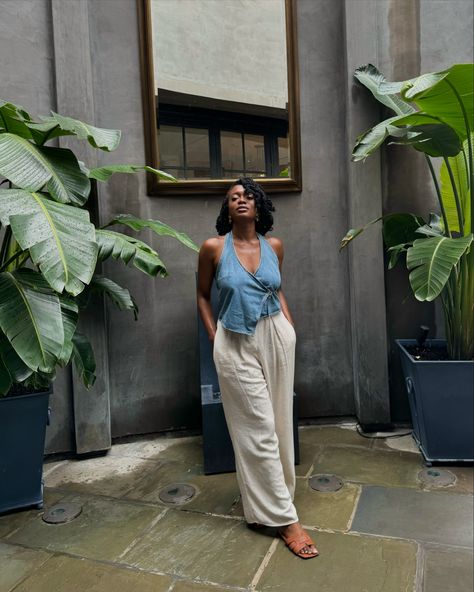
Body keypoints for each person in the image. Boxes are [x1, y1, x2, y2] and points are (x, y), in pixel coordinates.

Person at [197, 177, 319, 559]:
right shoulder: (214, 248)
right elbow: (202, 296)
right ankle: (287, 521)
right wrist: (215, 336)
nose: (240, 200)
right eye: (233, 197)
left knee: (280, 423)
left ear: (259, 204)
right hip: (234, 341)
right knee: (258, 429)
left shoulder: (274, 246)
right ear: (227, 209)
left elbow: (276, 289)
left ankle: (260, 509)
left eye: (247, 195)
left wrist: (289, 326)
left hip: (276, 338)